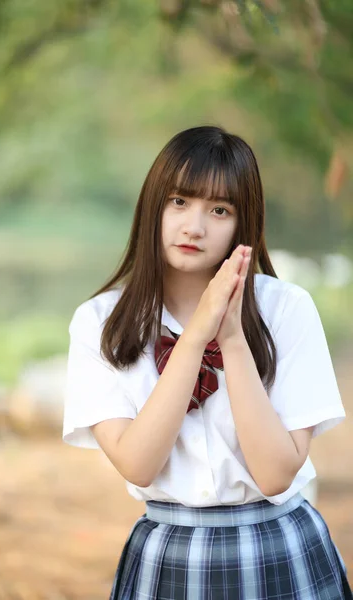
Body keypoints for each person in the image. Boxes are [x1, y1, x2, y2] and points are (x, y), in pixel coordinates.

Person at [62, 125, 352, 599]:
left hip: (279, 545)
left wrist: (233, 338)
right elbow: (137, 463)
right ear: (153, 205)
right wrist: (196, 337)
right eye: (179, 201)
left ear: (245, 224)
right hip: (167, 555)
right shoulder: (100, 323)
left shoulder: (287, 309)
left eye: (219, 210)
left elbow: (276, 474)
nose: (193, 226)